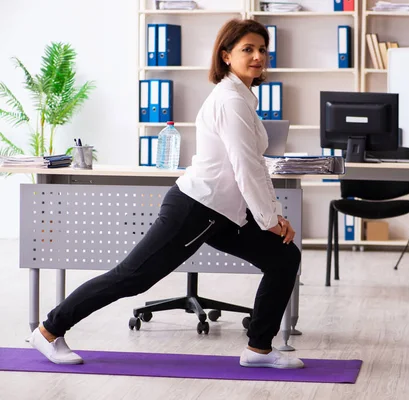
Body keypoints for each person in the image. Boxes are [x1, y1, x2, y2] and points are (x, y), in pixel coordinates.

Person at [29, 18, 304, 369]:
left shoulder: (243, 98)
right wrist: (268, 219)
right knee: (133, 277)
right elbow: (245, 168)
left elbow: (256, 164)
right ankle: (49, 330)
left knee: (283, 258)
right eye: (247, 49)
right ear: (225, 56)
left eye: (262, 49)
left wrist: (274, 216)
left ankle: (258, 350)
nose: (257, 56)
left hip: (224, 212)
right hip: (197, 209)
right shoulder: (230, 101)